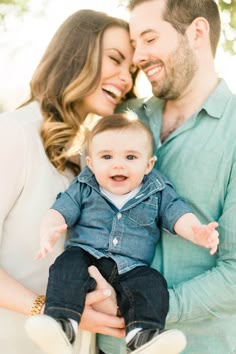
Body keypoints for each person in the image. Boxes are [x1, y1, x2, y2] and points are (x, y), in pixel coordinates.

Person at [96, 1, 236, 354]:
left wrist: (141, 308)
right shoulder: (125, 115)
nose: (138, 56)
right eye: (134, 44)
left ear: (197, 33)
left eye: (149, 38)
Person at [0, 9, 136, 354]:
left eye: (131, 70)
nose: (127, 79)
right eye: (116, 60)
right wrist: (49, 310)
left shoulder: (81, 160)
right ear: (77, 54)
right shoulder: (14, 135)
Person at [25, 113, 219, 354]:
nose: (118, 164)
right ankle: (61, 325)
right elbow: (62, 208)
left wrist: (196, 231)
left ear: (148, 164)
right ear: (91, 163)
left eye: (130, 157)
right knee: (66, 266)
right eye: (107, 157)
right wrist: (49, 227)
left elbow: (176, 212)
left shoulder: (157, 189)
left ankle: (144, 337)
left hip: (132, 267)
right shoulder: (85, 184)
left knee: (152, 283)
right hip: (86, 254)